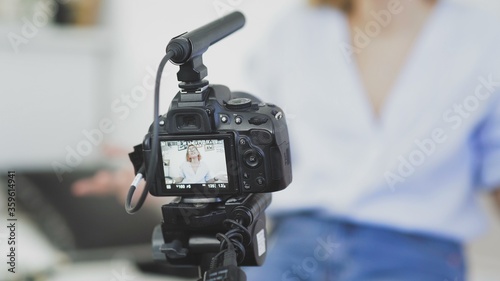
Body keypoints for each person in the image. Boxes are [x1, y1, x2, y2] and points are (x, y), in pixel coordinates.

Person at [241, 0, 500, 280]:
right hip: (298, 238)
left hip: (416, 248)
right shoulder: (295, 28)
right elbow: (251, 147)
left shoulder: (483, 37)